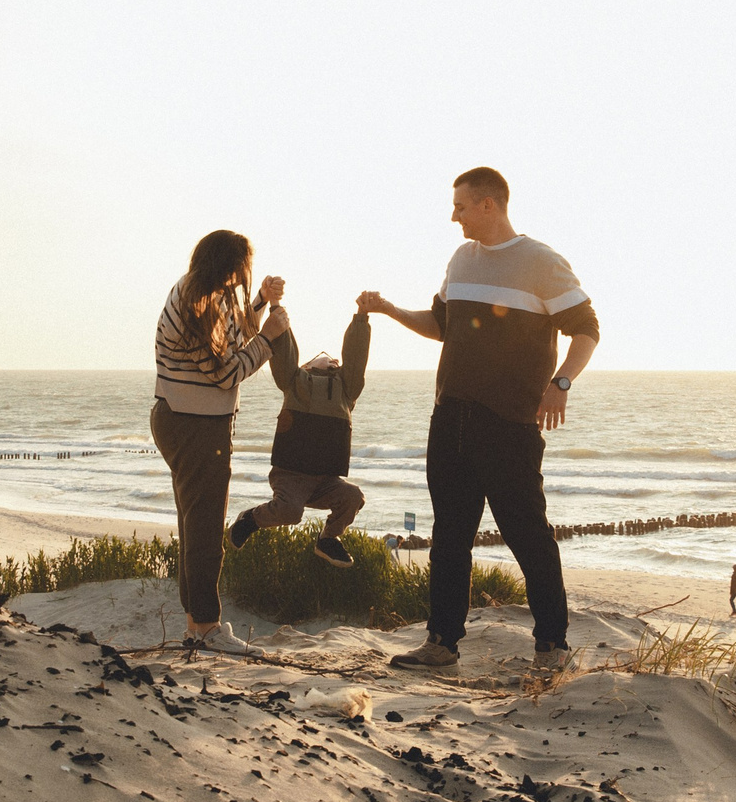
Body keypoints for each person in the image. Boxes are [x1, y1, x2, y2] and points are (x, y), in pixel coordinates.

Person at [360, 166, 597, 673]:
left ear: (489, 204)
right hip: (450, 418)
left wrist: (561, 384)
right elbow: (442, 325)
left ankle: (552, 646)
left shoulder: (542, 262)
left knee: (528, 536)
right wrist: (390, 310)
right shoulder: (461, 259)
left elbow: (587, 329)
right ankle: (441, 642)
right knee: (449, 537)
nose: (455, 216)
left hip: (508, 424)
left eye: (461, 206)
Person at [152, 230, 286, 653]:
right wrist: (271, 340)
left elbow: (231, 341)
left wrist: (260, 303)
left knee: (195, 526)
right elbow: (227, 371)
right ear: (232, 266)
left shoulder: (211, 291)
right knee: (206, 529)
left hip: (186, 419)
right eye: (246, 267)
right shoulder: (198, 303)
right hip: (195, 424)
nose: (246, 274)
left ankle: (197, 626)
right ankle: (208, 627)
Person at [229, 310, 370, 567]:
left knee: (353, 497)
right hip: (290, 475)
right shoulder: (295, 382)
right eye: (322, 359)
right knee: (291, 512)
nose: (330, 361)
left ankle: (328, 539)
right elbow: (284, 354)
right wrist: (275, 306)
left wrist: (361, 316)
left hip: (325, 481)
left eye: (335, 362)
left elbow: (357, 358)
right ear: (306, 366)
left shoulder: (346, 391)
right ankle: (250, 519)